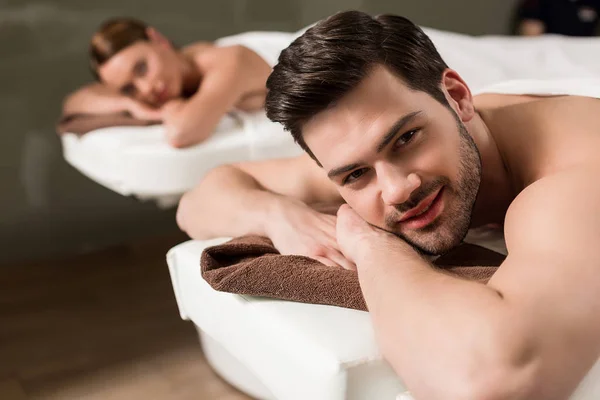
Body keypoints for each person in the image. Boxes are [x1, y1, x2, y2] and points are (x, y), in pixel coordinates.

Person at [177, 11, 600, 400]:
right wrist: (277, 214)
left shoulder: (573, 174)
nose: (396, 190)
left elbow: (493, 380)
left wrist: (370, 243)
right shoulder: (363, 160)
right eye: (354, 174)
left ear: (457, 96)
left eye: (406, 139)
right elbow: (200, 200)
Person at [61, 18, 273, 148]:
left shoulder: (230, 60)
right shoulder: (175, 73)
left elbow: (182, 133)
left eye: (142, 68)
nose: (145, 89)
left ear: (158, 39)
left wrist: (170, 109)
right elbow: (74, 102)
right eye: (129, 89)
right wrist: (129, 104)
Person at [515, 0, 600, 36]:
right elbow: (530, 34)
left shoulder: (592, 2)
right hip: (549, 57)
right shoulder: (538, 2)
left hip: (584, 58)